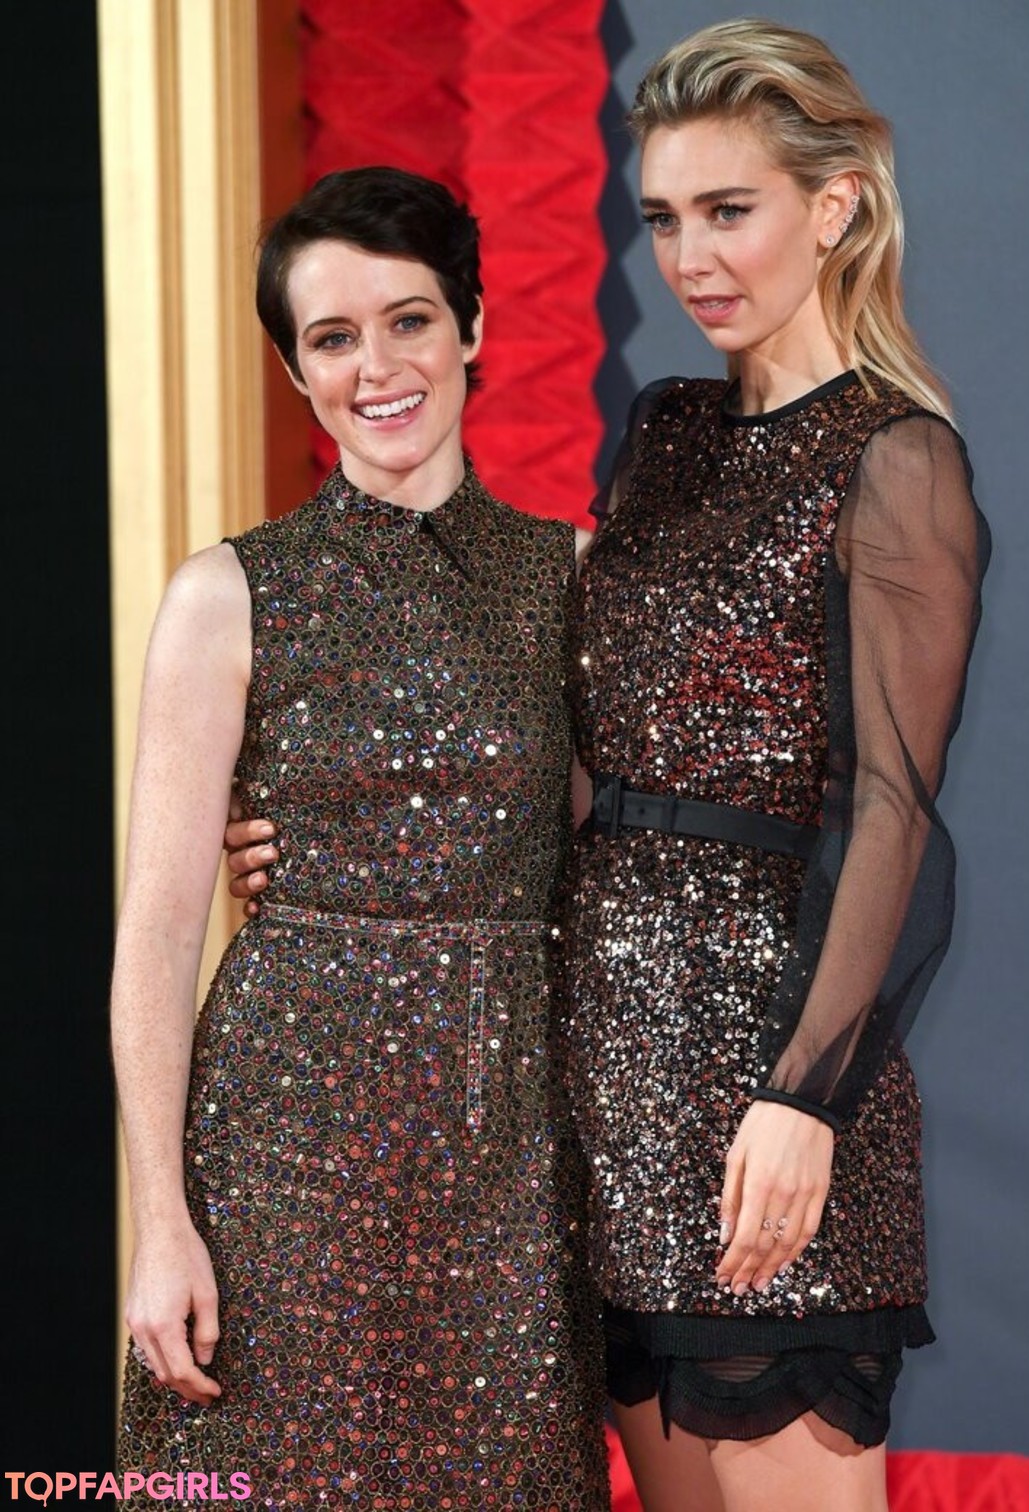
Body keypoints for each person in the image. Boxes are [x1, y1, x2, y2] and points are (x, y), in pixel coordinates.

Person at [227, 22, 990, 1511]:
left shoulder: (896, 458)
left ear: (835, 206)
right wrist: (319, 835)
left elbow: (893, 808)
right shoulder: (668, 431)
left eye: (730, 210)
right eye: (663, 218)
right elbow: (579, 749)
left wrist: (806, 1099)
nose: (691, 258)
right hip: (601, 1096)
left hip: (767, 1092)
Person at [111, 165, 610, 1509]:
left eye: (409, 320)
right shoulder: (226, 596)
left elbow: (613, 875)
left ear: (473, 327)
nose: (377, 368)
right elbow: (156, 936)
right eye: (333, 338)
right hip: (279, 1155)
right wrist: (161, 1225)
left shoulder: (568, 579)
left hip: (508, 1157)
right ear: (296, 371)